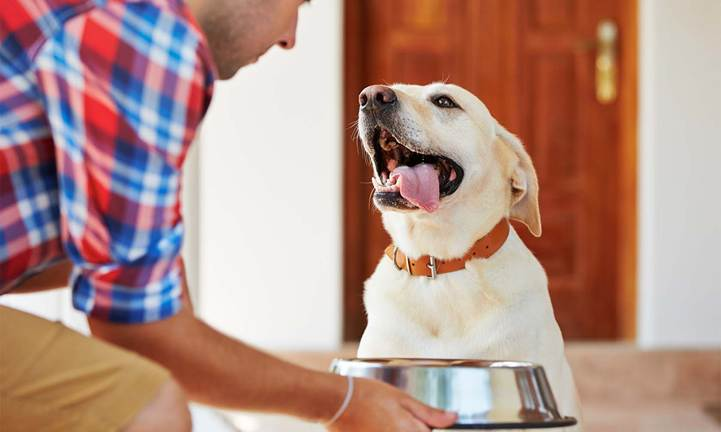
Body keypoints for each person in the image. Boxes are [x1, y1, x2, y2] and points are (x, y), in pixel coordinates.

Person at [0, 0, 458, 430]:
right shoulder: (149, 37)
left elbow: (120, 280)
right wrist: (344, 400)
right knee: (145, 404)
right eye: (296, 6)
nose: (290, 38)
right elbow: (138, 332)